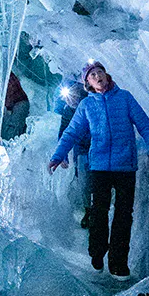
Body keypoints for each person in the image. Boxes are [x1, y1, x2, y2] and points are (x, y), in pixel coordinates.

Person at [48, 62, 149, 278]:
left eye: (99, 72)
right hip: (99, 167)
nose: (97, 76)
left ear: (106, 75)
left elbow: (144, 125)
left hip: (125, 166)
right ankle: (97, 252)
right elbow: (71, 133)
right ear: (88, 84)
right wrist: (58, 155)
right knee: (99, 212)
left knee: (123, 215)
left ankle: (118, 263)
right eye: (92, 75)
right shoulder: (86, 106)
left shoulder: (125, 98)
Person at [57, 81, 91, 227]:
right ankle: (89, 211)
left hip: (98, 147)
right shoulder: (68, 111)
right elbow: (63, 132)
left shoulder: (90, 104)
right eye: (66, 98)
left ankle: (100, 209)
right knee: (83, 180)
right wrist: (62, 156)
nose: (69, 100)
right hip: (81, 150)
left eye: (72, 96)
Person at [0, 72, 30, 141]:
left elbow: (10, 91)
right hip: (18, 103)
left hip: (20, 103)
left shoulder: (3, 74)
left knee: (10, 136)